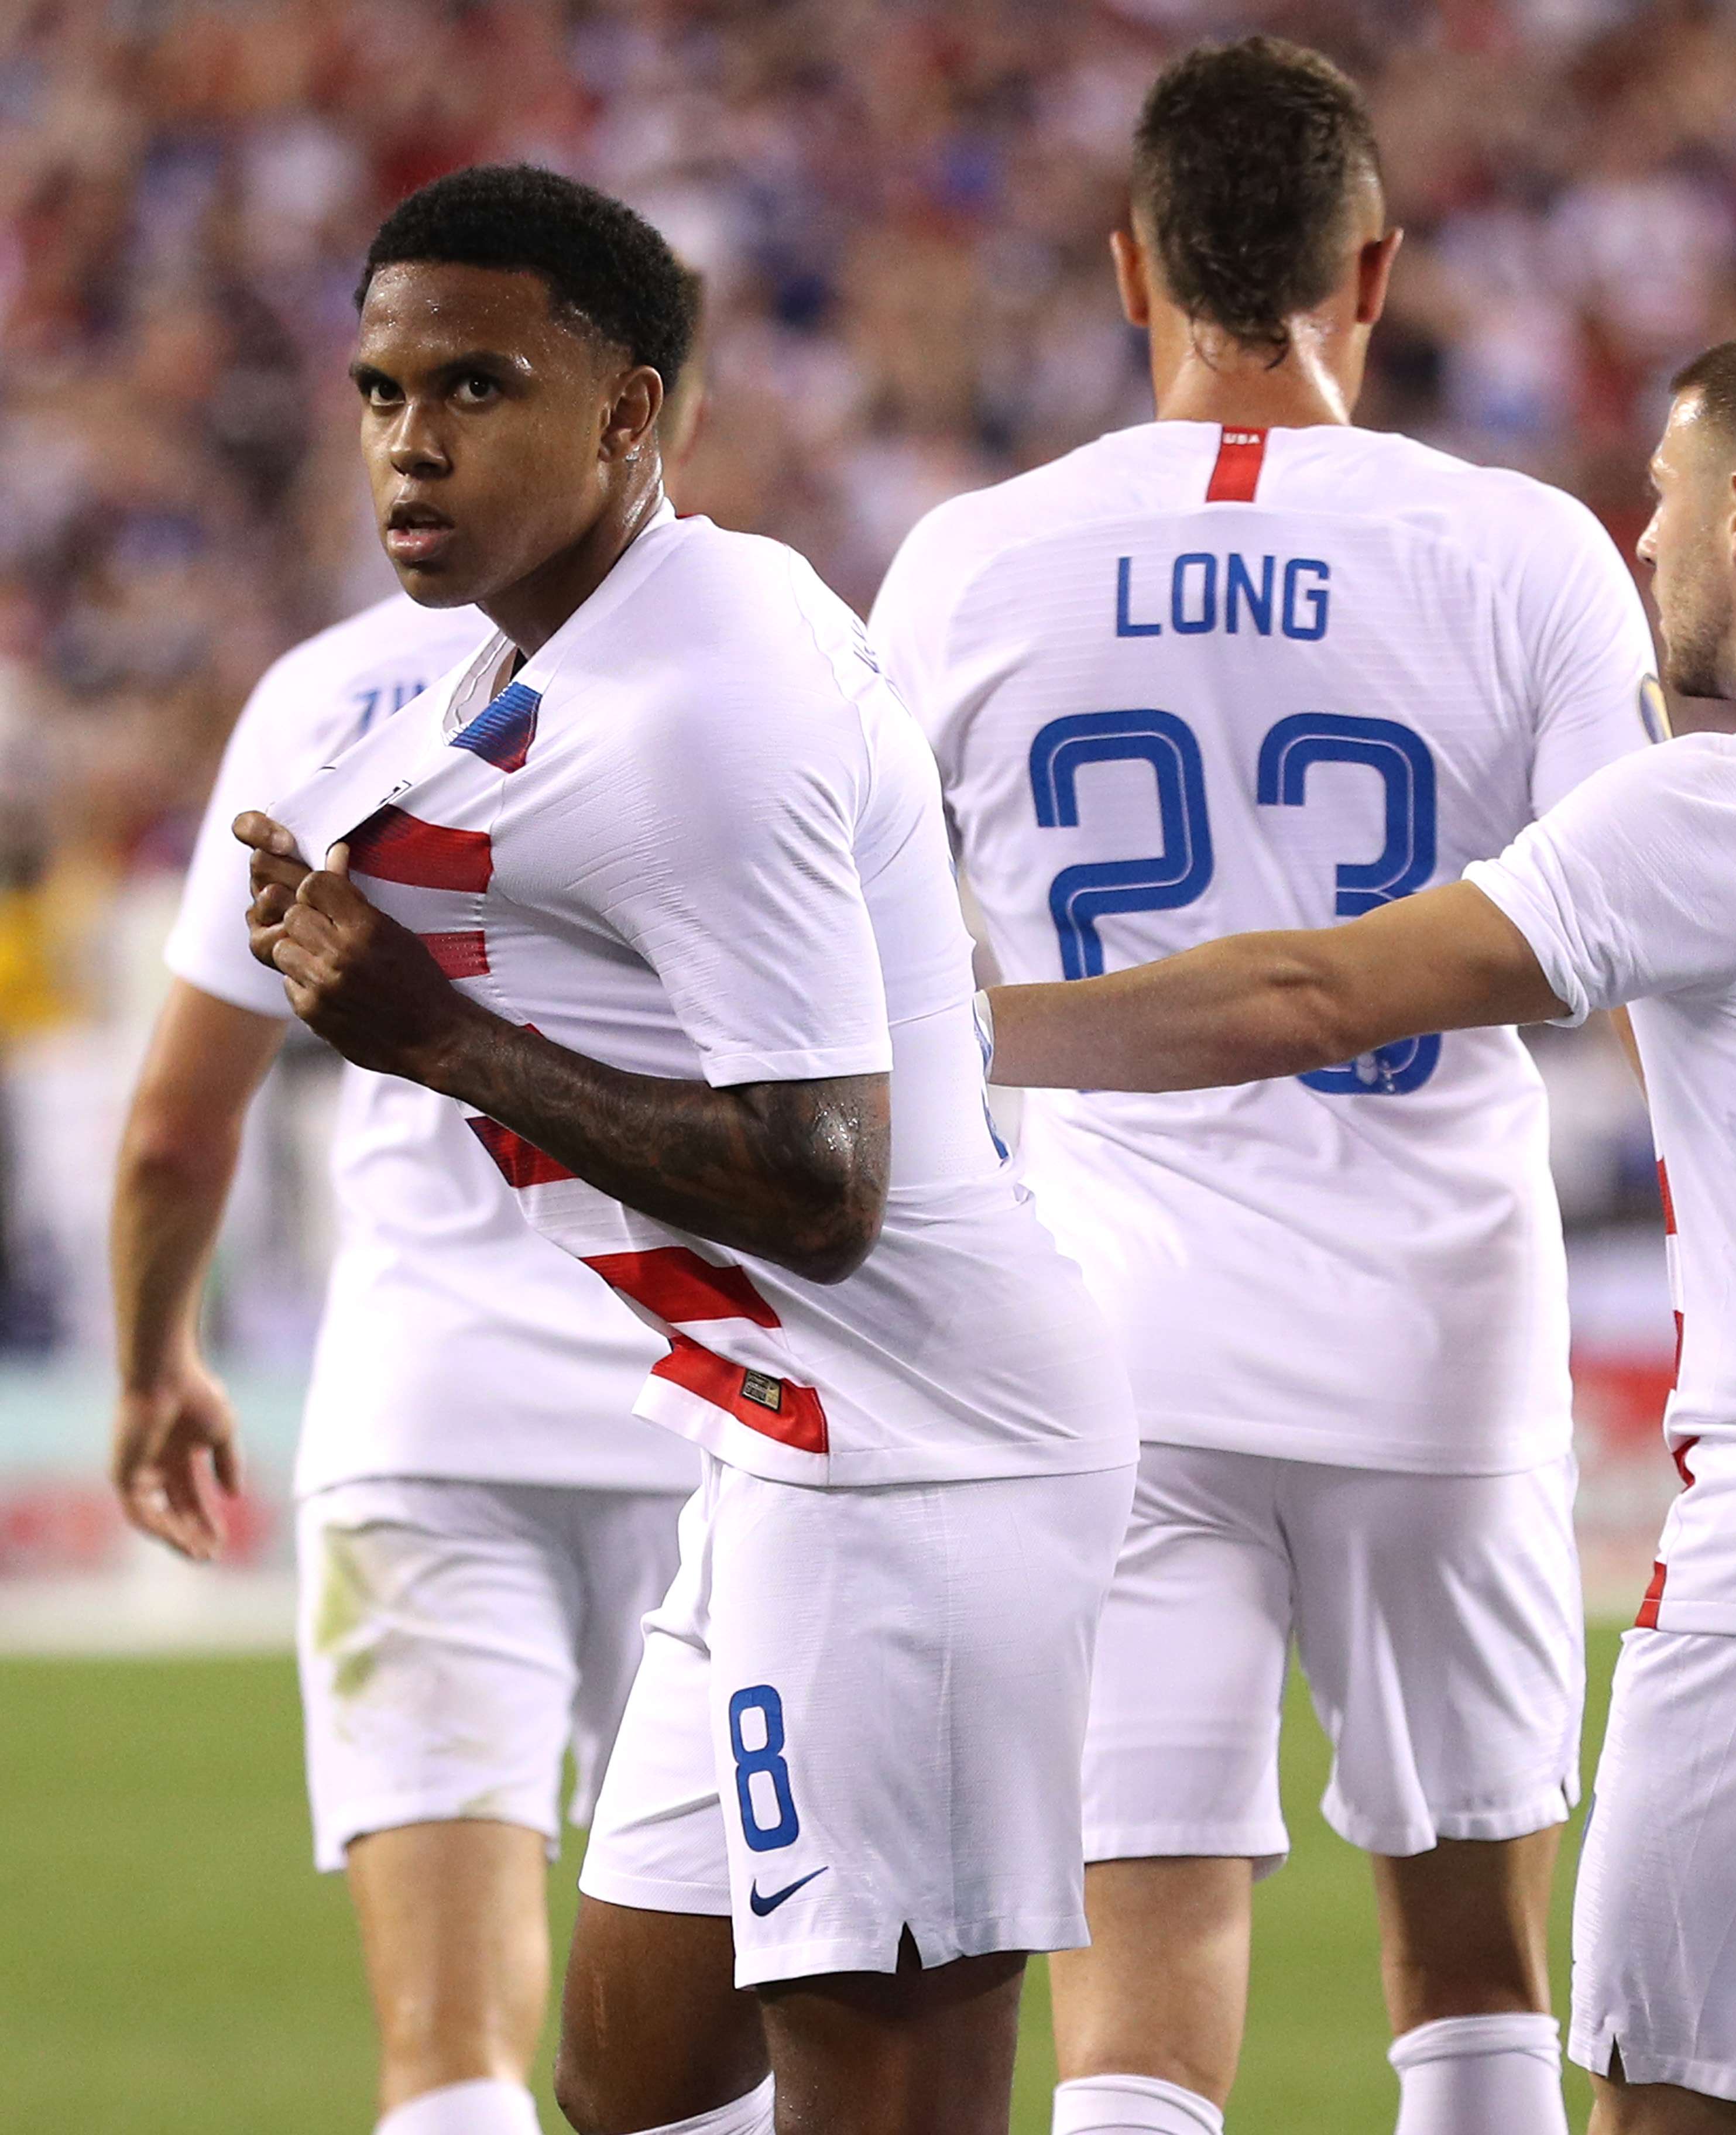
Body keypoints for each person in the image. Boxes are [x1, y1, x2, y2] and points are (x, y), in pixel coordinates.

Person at [982, 321, 1736, 2135]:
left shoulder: (1732, 808)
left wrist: (956, 1030)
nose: (1640, 539)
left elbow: (1315, 994)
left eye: (1660, 494)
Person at [236, 164, 1134, 2135]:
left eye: (478, 388)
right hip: (786, 1445)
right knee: (631, 2076)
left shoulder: (698, 701)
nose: (412, 442)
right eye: (383, 392)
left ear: (631, 410)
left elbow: (824, 1182)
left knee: (882, 2088)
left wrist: (433, 1034)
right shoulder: (612, 636)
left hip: (924, 1462)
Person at [869, 39, 1654, 2135]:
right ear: (1372, 271)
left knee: (1136, 1984)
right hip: (1440, 1330)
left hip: (1105, 1334)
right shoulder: (1526, 552)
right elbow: (1637, 945)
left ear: (1132, 269)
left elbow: (863, 966)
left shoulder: (965, 563)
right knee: (1478, 1977)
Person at [111, 275, 711, 2135]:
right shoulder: (774, 670)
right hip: (719, 1417)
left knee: (450, 2067)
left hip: (427, 1415)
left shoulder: (322, 697)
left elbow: (176, 1131)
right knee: (717, 2066)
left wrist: (154, 1365)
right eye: (382, 393)